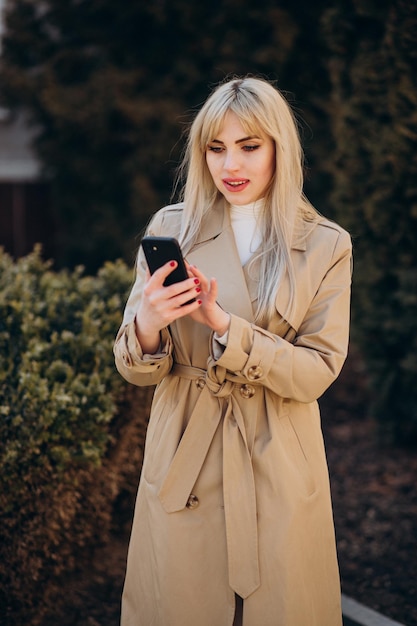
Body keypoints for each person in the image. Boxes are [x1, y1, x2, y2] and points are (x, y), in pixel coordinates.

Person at [114, 76, 352, 626]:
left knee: (282, 602)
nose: (230, 165)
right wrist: (148, 322)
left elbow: (317, 372)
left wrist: (224, 325)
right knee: (182, 600)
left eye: (249, 146)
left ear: (278, 148)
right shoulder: (172, 227)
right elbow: (135, 368)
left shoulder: (325, 244)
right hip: (186, 446)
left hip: (279, 450)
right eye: (216, 148)